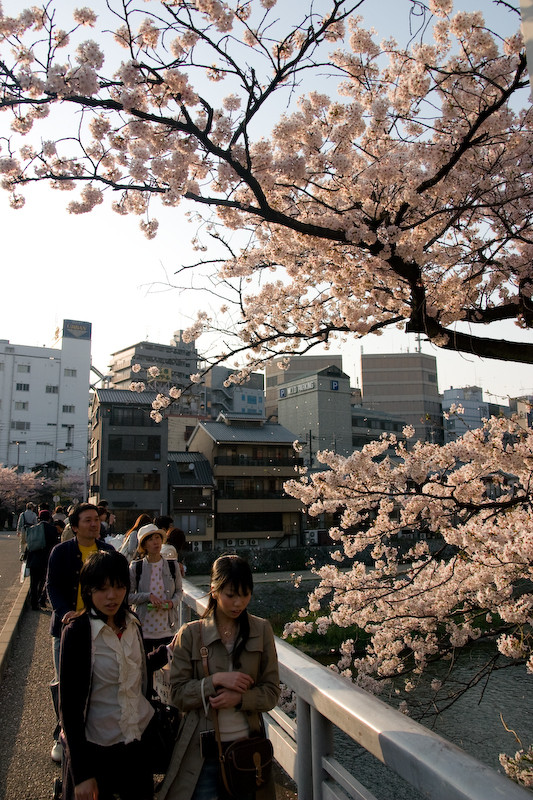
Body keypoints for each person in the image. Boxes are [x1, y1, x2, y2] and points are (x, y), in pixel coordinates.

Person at [158, 554, 280, 800]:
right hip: (202, 754)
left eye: (245, 595)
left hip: (247, 750)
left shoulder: (261, 629)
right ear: (214, 591)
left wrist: (240, 699)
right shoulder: (191, 635)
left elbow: (272, 692)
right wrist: (214, 682)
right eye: (231, 595)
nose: (238, 603)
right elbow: (177, 695)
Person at [59, 549, 168, 800]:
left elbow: (135, 670)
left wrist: (168, 651)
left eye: (119, 587)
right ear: (87, 590)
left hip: (136, 745)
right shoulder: (78, 633)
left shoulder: (132, 624)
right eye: (102, 589)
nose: (112, 596)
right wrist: (81, 774)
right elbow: (71, 708)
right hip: (98, 750)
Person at [46, 503, 115, 763]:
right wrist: (65, 613)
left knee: (99, 683)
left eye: (96, 519)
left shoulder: (107, 552)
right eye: (87, 520)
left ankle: (95, 736)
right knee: (66, 685)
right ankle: (62, 735)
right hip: (67, 629)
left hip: (100, 629)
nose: (94, 524)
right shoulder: (61, 552)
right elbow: (52, 587)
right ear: (74, 526)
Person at [129, 527, 182, 655]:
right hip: (144, 628)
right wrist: (148, 596)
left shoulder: (172, 565)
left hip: (167, 627)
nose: (155, 542)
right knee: (146, 668)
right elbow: (128, 597)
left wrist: (171, 603)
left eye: (157, 538)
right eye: (151, 540)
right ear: (144, 545)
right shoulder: (137, 567)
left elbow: (179, 591)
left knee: (167, 668)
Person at [26, 509, 60, 611]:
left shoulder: (32, 529)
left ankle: (34, 603)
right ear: (49, 518)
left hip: (33, 559)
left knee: (33, 582)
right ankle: (41, 599)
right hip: (45, 559)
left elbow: (29, 545)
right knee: (43, 580)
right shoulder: (52, 529)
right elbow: (55, 544)